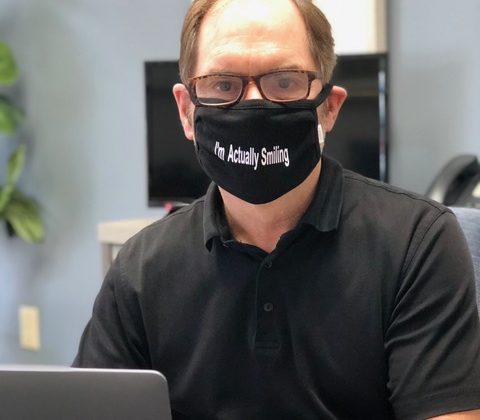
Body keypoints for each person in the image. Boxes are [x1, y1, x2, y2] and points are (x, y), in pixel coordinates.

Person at [73, 0, 480, 418]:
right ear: (186, 110)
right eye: (223, 84)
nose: (253, 104)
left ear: (330, 106)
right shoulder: (139, 271)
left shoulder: (418, 243)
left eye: (284, 81)